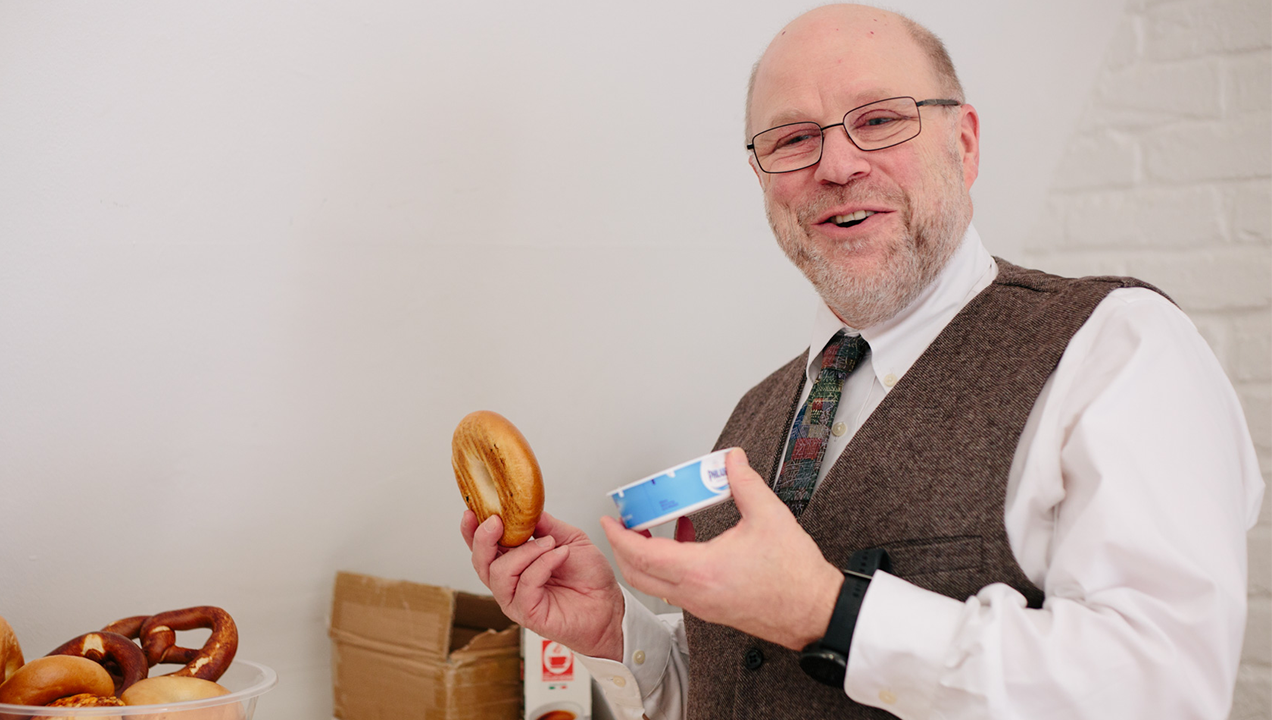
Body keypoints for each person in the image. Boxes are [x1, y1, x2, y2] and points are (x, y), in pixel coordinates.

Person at [461, 4, 1265, 719]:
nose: (838, 164)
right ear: (763, 179)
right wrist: (616, 633)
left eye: (880, 120)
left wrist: (829, 611)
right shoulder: (758, 409)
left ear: (966, 143)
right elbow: (742, 687)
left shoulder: (1115, 350)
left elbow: (1162, 693)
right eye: (793, 138)